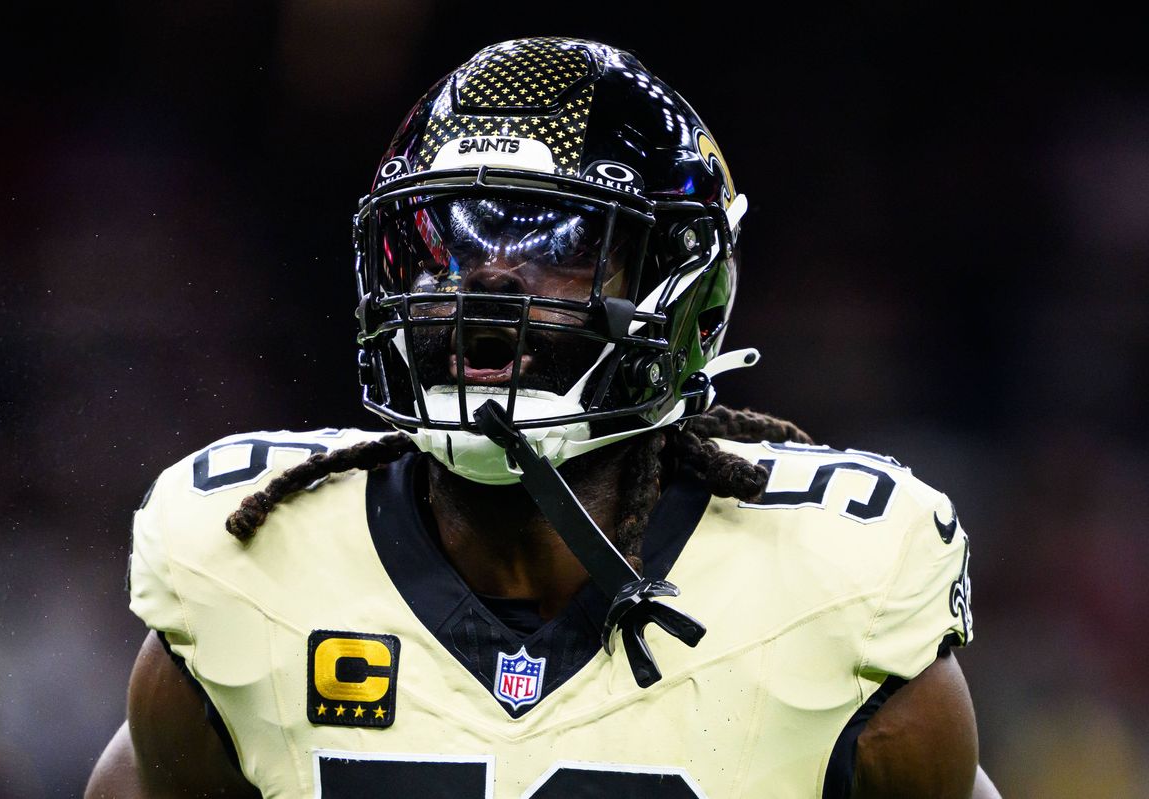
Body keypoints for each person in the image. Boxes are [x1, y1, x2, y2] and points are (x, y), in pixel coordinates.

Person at [87, 37, 1000, 798]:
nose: (488, 278)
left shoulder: (835, 589)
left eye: (559, 242)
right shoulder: (245, 566)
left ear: (684, 291)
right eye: (449, 241)